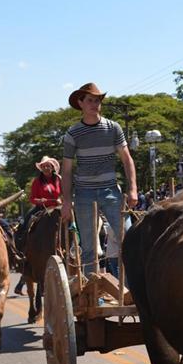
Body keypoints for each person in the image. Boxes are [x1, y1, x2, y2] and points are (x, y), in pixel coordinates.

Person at [60, 83, 138, 275]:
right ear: (80, 103)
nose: (94, 104)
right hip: (84, 193)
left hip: (110, 190)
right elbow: (67, 170)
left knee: (128, 240)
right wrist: (66, 201)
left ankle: (131, 287)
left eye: (97, 101)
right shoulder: (73, 133)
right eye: (90, 100)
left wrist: (133, 189)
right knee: (89, 249)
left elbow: (127, 159)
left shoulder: (113, 128)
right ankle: (92, 289)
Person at [13, 156, 62, 295]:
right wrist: (40, 201)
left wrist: (61, 199)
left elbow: (65, 193)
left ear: (53, 167)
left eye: (48, 166)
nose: (46, 168)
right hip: (41, 208)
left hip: (58, 208)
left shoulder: (59, 179)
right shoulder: (37, 181)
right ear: (41, 168)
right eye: (43, 166)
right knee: (24, 224)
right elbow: (32, 198)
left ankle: (75, 247)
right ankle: (22, 249)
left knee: (73, 220)